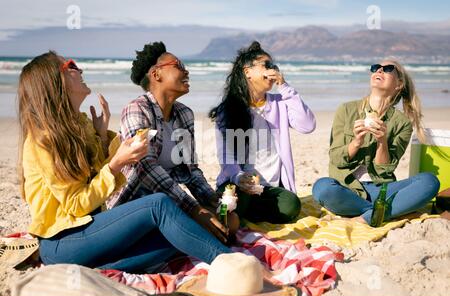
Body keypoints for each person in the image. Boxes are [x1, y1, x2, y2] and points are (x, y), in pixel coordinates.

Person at [18, 51, 231, 273]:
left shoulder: (79, 125)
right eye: (70, 65)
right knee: (158, 204)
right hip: (62, 240)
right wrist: (115, 164)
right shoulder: (43, 140)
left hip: (91, 229)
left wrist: (101, 139)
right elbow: (76, 205)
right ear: (53, 81)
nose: (79, 70)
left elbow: (93, 187)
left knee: (180, 232)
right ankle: (230, 262)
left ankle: (102, 270)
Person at [106, 41, 238, 240]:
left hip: (171, 200)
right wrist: (196, 211)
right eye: (178, 66)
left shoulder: (184, 114)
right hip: (135, 203)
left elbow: (191, 171)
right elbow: (145, 167)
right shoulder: (136, 110)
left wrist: (214, 201)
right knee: (201, 225)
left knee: (231, 220)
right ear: (156, 74)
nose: (187, 72)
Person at [312, 60, 440, 225]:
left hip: (382, 189)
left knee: (429, 182)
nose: (379, 71)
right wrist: (356, 142)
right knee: (322, 187)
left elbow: (385, 170)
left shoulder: (402, 123)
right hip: (347, 189)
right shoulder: (346, 110)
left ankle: (367, 216)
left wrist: (382, 142)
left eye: (387, 69)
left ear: (399, 84)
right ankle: (379, 211)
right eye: (375, 68)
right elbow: (336, 158)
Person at [209, 41, 316, 224]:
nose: (272, 69)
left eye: (273, 65)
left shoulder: (280, 102)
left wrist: (285, 87)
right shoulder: (229, 109)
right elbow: (225, 154)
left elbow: (307, 125)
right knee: (233, 200)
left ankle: (243, 213)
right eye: (266, 65)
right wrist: (239, 177)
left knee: (291, 205)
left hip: (270, 189)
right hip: (239, 182)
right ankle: (235, 210)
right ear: (247, 72)